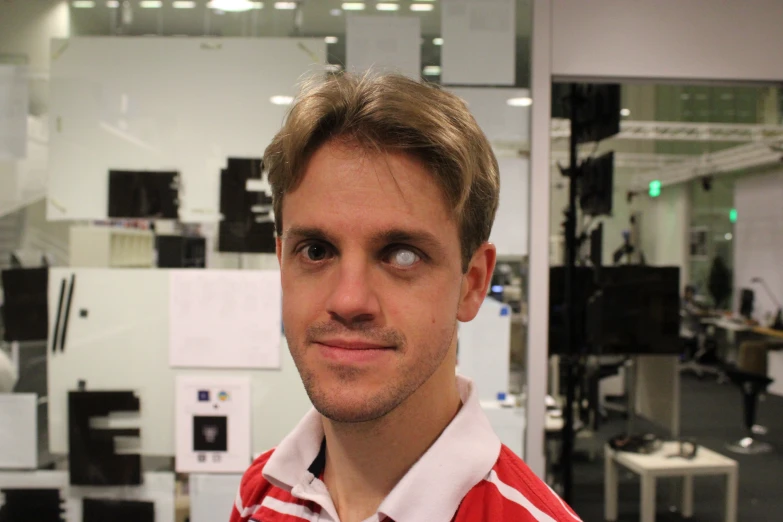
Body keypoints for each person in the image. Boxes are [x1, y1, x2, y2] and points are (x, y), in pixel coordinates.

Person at [230, 72, 580, 522]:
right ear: (283, 263)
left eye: (402, 255)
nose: (350, 300)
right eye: (316, 251)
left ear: (472, 283)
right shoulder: (259, 495)